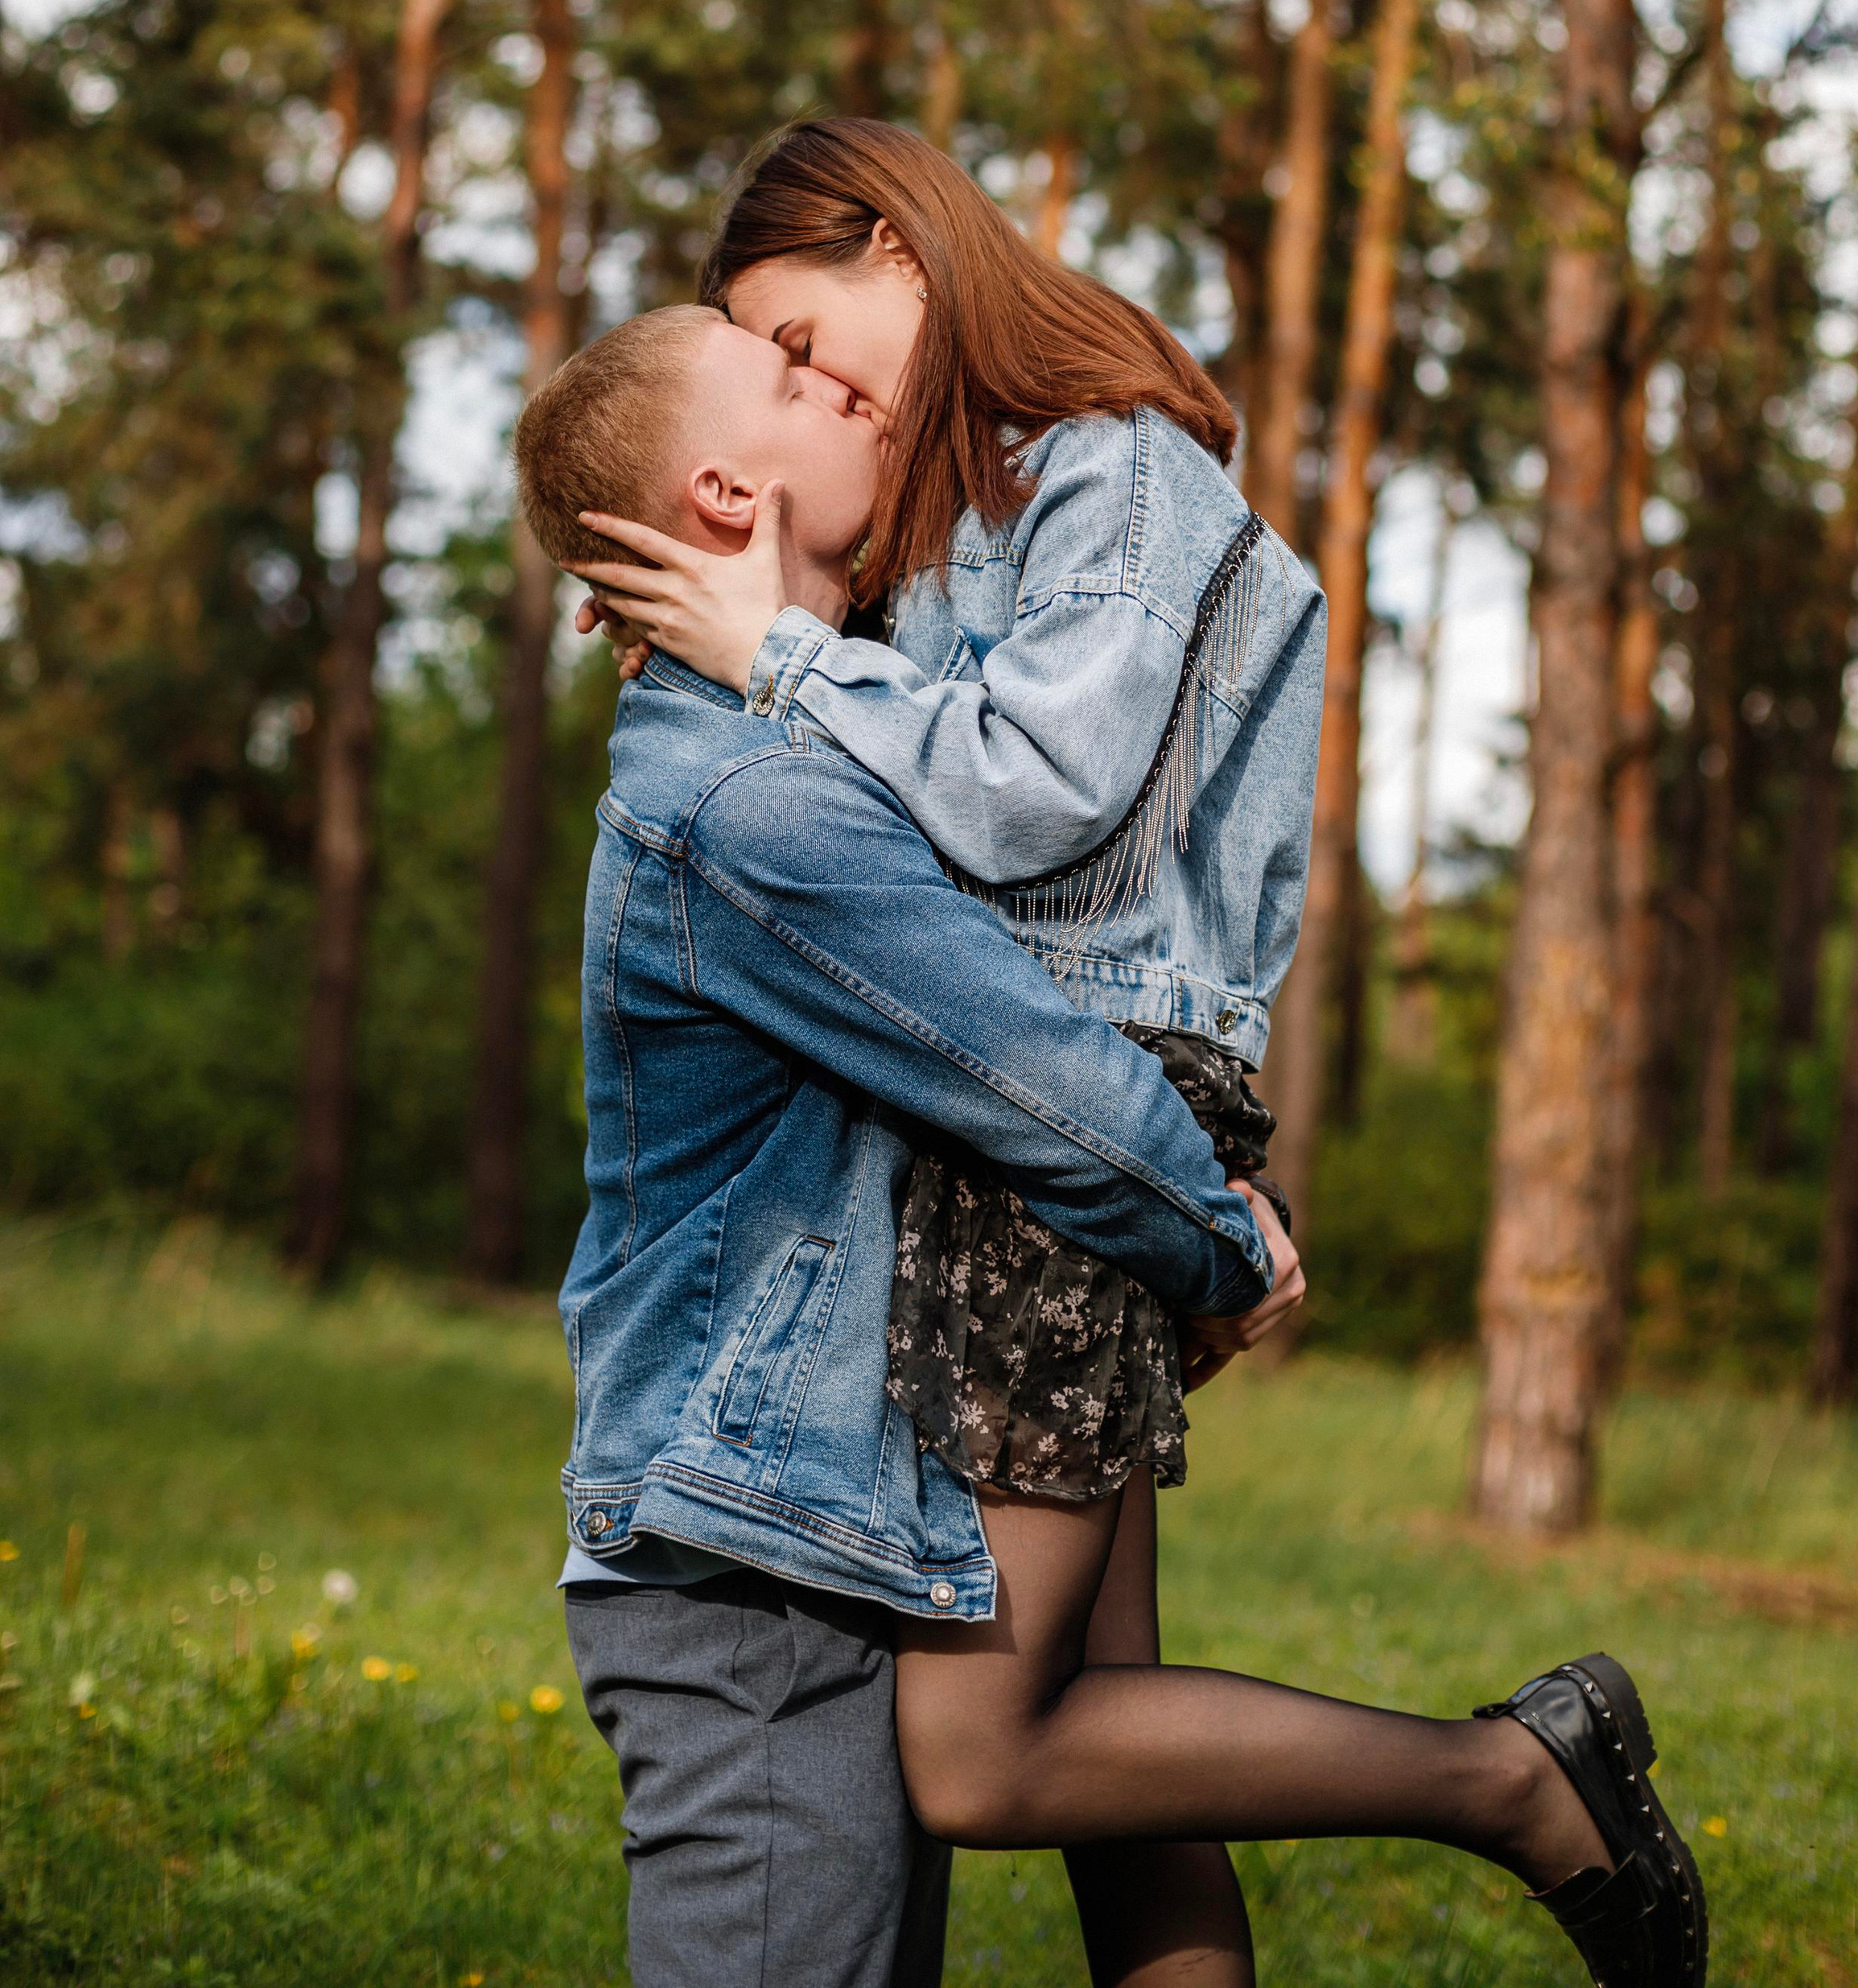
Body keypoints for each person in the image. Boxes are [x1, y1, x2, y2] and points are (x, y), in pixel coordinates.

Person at [566, 121, 1708, 1988]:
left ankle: (1512, 1779)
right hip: (1022, 1092)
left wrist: (775, 655)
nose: (796, 382)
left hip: (1073, 1093)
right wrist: (699, 610)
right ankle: (1505, 1782)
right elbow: (862, 778)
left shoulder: (1115, 470)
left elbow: (1038, 787)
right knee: (1116, 1732)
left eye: (791, 335)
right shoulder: (952, 528)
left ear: (901, 258)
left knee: (986, 1751)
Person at [517, 302, 1299, 1988]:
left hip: (825, 1537)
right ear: (727, 493)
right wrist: (1231, 1243)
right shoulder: (752, 806)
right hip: (743, 1574)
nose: (850, 388)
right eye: (794, 379)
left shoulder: (808, 742)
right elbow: (1037, 1082)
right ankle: (1507, 1779)